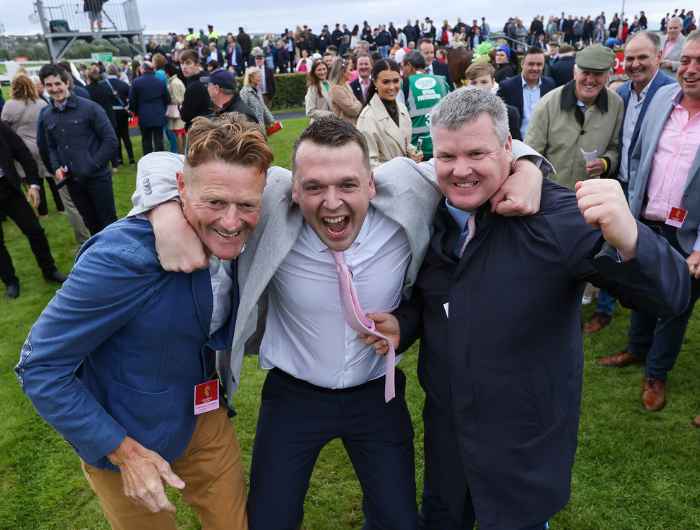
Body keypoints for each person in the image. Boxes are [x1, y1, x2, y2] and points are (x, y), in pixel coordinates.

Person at [129, 114, 549, 530]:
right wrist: (167, 215)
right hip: (293, 397)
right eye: (313, 187)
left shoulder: (406, 186)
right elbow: (159, 164)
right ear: (293, 188)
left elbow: (481, 157)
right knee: (270, 519)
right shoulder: (271, 194)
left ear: (371, 182)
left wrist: (529, 169)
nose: (332, 203)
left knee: (398, 520)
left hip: (376, 396)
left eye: (348, 184)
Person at [363, 87, 689, 530]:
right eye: (446, 157)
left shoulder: (560, 218)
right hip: (449, 436)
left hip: (522, 442)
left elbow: (670, 296)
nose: (460, 171)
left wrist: (632, 238)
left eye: (477, 153)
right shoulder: (430, 210)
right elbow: (434, 299)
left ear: (508, 148)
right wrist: (404, 324)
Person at [16, 116, 272, 530]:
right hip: (124, 432)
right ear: (181, 189)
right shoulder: (118, 260)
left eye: (246, 205)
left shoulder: (243, 225)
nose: (231, 221)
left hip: (204, 415)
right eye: (215, 203)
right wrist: (122, 452)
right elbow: (39, 367)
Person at [595, 31, 700, 416]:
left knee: (676, 303)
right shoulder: (662, 99)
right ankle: (636, 350)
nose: (689, 69)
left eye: (699, 63)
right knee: (641, 288)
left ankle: (657, 373)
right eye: (686, 60)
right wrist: (631, 208)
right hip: (646, 220)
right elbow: (638, 156)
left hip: (688, 233)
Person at [584, 32, 677, 334]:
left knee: (640, 253)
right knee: (611, 249)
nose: (635, 64)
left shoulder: (669, 93)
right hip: (618, 182)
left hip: (649, 192)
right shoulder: (622, 93)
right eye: (631, 58)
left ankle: (648, 314)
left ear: (659, 58)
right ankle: (606, 309)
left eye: (643, 58)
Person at [526, 45, 624, 190]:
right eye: (585, 72)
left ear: (607, 76)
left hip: (592, 194)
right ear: (575, 73)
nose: (590, 80)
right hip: (552, 195)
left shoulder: (616, 104)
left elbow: (615, 148)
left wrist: (605, 163)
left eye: (597, 74)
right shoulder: (548, 104)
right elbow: (531, 154)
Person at [38, 64, 118, 235]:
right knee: (91, 225)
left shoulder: (90, 108)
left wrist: (92, 165)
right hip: (73, 182)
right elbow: (51, 146)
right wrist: (56, 166)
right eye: (49, 85)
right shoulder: (47, 114)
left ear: (67, 82)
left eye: (57, 83)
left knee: (109, 225)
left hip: (98, 178)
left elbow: (110, 141)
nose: (54, 89)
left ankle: (119, 259)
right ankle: (100, 259)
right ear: (44, 87)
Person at [0, 121, 66, 299]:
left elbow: (22, 152)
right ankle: (10, 282)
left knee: (35, 230)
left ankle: (49, 270)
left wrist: (34, 183)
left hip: (7, 188)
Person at [2, 74, 63, 218]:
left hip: (23, 148)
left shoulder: (10, 105)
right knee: (51, 176)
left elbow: (4, 129)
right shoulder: (41, 103)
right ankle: (61, 207)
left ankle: (42, 212)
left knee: (33, 179)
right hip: (42, 145)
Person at [356, 59, 421, 168]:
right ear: (375, 82)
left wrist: (412, 152)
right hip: (385, 182)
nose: (392, 87)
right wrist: (399, 167)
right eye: (386, 82)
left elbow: (402, 143)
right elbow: (367, 164)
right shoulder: (367, 118)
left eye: (395, 81)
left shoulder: (402, 108)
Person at [497, 47, 556, 139]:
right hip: (517, 144)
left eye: (539, 64)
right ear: (522, 64)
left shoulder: (550, 84)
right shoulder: (507, 86)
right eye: (531, 64)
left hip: (543, 143)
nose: (535, 68)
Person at [401, 51, 449, 160]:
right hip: (442, 145)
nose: (402, 71)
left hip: (417, 151)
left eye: (402, 66)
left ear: (409, 65)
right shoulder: (441, 80)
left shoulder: (405, 83)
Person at [464, 62, 522, 141]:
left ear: (492, 82)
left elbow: (516, 144)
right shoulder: (460, 113)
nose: (479, 87)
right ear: (467, 84)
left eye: (484, 82)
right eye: (474, 83)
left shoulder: (510, 113)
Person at [129, 61, 171, 155]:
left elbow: (132, 100)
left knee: (146, 139)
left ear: (143, 69)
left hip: (144, 114)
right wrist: (162, 107)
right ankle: (159, 159)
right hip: (158, 113)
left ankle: (148, 160)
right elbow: (167, 99)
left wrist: (134, 112)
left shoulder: (136, 82)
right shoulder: (160, 82)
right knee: (158, 139)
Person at [105, 64, 135, 165]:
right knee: (126, 135)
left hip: (110, 113)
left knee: (116, 136)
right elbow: (130, 98)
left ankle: (119, 159)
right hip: (122, 112)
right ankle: (131, 158)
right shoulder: (123, 84)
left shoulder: (103, 85)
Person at [180, 50, 212, 130]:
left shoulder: (194, 86)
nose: (184, 67)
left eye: (188, 63)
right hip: (210, 126)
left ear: (197, 64)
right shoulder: (207, 77)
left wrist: (180, 107)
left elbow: (185, 116)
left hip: (198, 130)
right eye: (181, 63)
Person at [328, 58, 362, 125]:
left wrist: (356, 104)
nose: (352, 73)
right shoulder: (336, 89)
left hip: (351, 126)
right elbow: (353, 110)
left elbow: (356, 104)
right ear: (343, 72)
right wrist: (358, 104)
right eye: (350, 70)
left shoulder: (346, 85)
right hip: (344, 128)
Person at [163, 63, 186, 154]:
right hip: (179, 109)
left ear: (168, 72)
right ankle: (182, 153)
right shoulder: (176, 81)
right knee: (180, 132)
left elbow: (178, 99)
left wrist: (168, 100)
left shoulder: (174, 83)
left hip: (177, 110)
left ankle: (181, 153)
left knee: (179, 133)